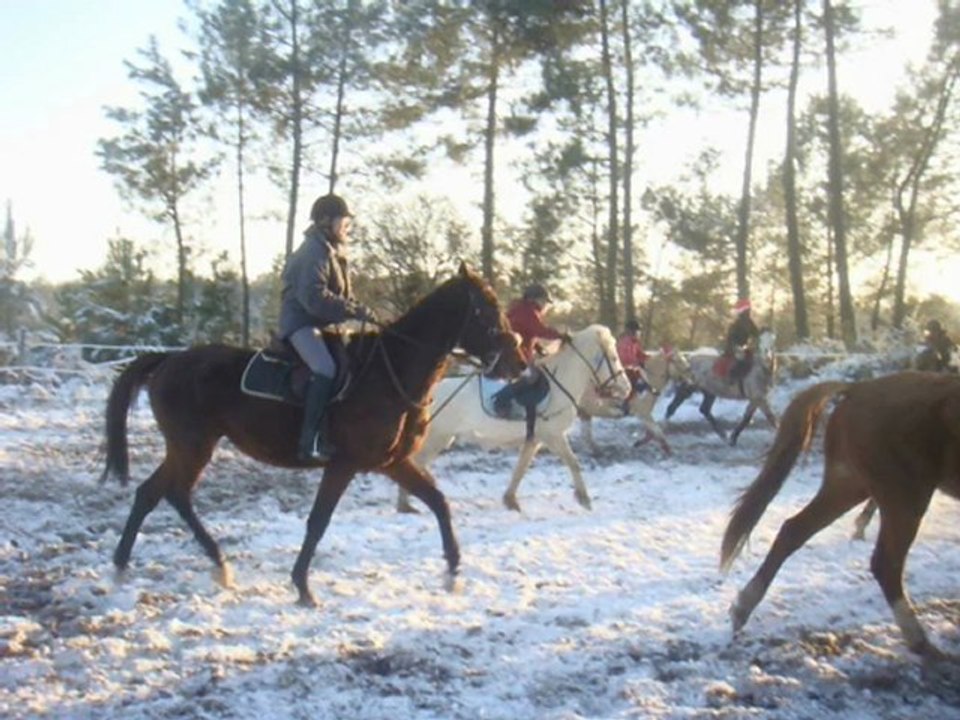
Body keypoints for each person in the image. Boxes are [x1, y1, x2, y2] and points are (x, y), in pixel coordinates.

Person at [278, 193, 377, 461]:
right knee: (325, 368)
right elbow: (314, 298)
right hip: (301, 323)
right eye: (342, 220)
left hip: (324, 325)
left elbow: (343, 297)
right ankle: (309, 440)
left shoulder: (332, 251)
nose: (346, 226)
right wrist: (351, 310)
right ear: (325, 221)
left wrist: (362, 311)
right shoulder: (313, 251)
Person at [493, 283, 568, 428]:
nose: (546, 305)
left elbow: (529, 333)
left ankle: (524, 406)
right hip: (512, 356)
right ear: (535, 299)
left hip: (517, 353)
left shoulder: (522, 309)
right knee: (531, 377)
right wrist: (561, 336)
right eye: (545, 301)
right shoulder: (527, 311)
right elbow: (540, 330)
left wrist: (539, 348)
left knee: (536, 375)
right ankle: (501, 401)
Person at [723, 298, 760, 389]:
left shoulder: (749, 322)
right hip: (734, 347)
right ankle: (732, 377)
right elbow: (731, 337)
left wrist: (757, 342)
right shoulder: (737, 323)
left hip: (743, 347)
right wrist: (736, 346)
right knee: (741, 360)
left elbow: (756, 334)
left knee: (754, 358)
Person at [617, 318, 651, 402]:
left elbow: (640, 354)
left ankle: (636, 399)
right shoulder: (625, 341)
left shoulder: (634, 342)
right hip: (624, 369)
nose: (639, 334)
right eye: (637, 332)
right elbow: (624, 357)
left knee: (646, 379)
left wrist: (650, 359)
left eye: (639, 332)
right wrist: (637, 363)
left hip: (633, 368)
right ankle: (626, 402)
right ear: (631, 331)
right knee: (638, 382)